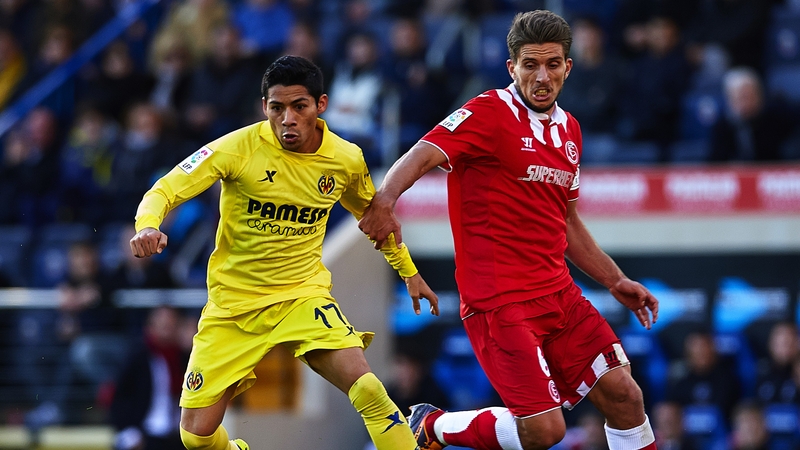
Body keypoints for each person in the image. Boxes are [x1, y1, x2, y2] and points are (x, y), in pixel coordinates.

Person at [359, 10, 660, 450]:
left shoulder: (570, 130)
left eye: (553, 64)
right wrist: (386, 200)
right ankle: (432, 426)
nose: (542, 76)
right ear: (511, 68)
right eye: (530, 64)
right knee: (544, 431)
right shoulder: (487, 112)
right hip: (500, 302)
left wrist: (615, 279)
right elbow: (423, 153)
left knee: (625, 396)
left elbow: (568, 221)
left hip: (559, 294)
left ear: (568, 67)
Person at [129, 55, 439, 450]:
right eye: (277, 108)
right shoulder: (237, 148)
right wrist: (148, 225)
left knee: (369, 390)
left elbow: (377, 220)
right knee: (194, 436)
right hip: (233, 306)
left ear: (320, 105)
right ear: (265, 107)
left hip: (301, 297)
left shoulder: (345, 159)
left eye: (299, 107)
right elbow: (165, 188)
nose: (287, 118)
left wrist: (409, 272)